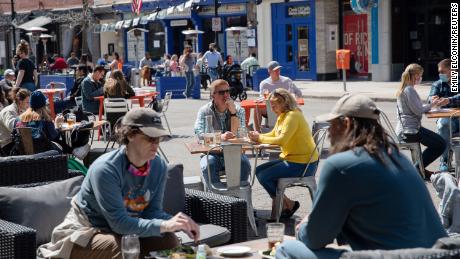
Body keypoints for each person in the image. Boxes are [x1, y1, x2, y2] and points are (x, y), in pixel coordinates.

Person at [276, 94, 447, 259]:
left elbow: (315, 239)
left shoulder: (339, 165)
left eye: (332, 125)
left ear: (347, 123)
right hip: (435, 254)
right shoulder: (400, 159)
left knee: (285, 249)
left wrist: (305, 226)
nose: (329, 134)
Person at [38, 108, 200, 258]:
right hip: (85, 230)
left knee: (168, 240)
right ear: (130, 135)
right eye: (150, 137)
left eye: (158, 138)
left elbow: (153, 212)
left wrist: (177, 223)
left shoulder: (158, 166)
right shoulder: (106, 169)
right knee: (124, 246)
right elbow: (120, 224)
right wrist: (165, 224)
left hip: (122, 231)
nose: (155, 144)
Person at [248, 88, 318, 220]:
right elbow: (274, 134)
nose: (272, 109)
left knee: (265, 176)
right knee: (259, 170)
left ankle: (282, 204)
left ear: (284, 103)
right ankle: (288, 203)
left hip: (304, 164)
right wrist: (258, 135)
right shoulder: (283, 116)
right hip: (293, 159)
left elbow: (281, 140)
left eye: (274, 105)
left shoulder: (292, 116)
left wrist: (259, 138)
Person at [194, 79, 251, 188]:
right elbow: (199, 134)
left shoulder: (238, 110)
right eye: (221, 92)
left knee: (245, 164)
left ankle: (240, 194)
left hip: (234, 152)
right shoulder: (204, 111)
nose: (226, 95)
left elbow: (240, 135)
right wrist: (221, 137)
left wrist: (233, 113)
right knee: (208, 165)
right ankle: (217, 196)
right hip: (211, 153)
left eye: (227, 91)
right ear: (212, 95)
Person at [396, 63, 445, 177]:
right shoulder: (409, 90)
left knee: (438, 143)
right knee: (440, 144)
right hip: (410, 131)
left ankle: (420, 169)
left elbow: (416, 107)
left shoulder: (406, 88)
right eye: (420, 75)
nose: (420, 78)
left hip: (408, 129)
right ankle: (417, 169)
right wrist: (433, 104)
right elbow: (418, 110)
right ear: (415, 75)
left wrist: (430, 104)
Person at [12, 91, 76, 155]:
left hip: (23, 156)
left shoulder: (18, 119)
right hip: (44, 156)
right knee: (62, 140)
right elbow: (55, 137)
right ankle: (74, 151)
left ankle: (75, 151)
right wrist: (57, 125)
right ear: (44, 104)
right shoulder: (44, 119)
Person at [255, 61, 302, 131]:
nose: (278, 72)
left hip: (285, 108)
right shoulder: (264, 83)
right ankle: (258, 132)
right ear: (269, 72)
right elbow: (262, 97)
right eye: (275, 70)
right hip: (270, 109)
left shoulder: (287, 81)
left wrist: (294, 97)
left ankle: (296, 129)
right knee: (256, 108)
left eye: (278, 70)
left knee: (296, 109)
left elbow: (299, 93)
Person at [428, 59, 457, 171]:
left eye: (443, 72)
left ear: (452, 70)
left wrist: (448, 100)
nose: (440, 75)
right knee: (443, 124)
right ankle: (444, 160)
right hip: (448, 119)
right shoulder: (437, 84)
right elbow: (430, 98)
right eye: (439, 72)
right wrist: (432, 99)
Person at [0, 88, 30, 155]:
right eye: (27, 102)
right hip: (7, 144)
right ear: (20, 101)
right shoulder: (9, 111)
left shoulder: (22, 110)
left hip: (17, 142)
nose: (29, 105)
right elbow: (13, 128)